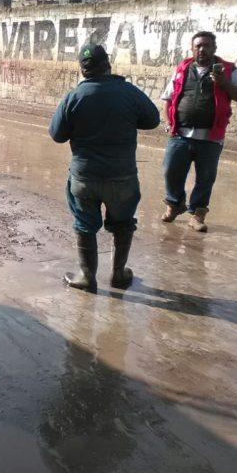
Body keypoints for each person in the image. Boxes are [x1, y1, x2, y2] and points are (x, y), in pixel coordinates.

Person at [49, 44, 160, 292]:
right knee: (123, 224)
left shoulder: (74, 97)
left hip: (84, 177)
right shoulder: (128, 92)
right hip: (122, 177)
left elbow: (57, 135)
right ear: (107, 64)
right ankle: (118, 275)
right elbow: (152, 119)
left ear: (82, 69)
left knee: (85, 226)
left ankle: (87, 277)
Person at [160, 31, 237, 232]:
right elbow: (168, 98)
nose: (202, 49)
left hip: (210, 137)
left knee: (205, 178)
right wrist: (168, 122)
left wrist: (223, 83)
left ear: (214, 48)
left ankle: (197, 215)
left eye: (206, 45)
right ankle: (174, 205)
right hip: (180, 134)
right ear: (192, 49)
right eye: (198, 46)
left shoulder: (228, 70)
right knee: (170, 171)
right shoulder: (182, 69)